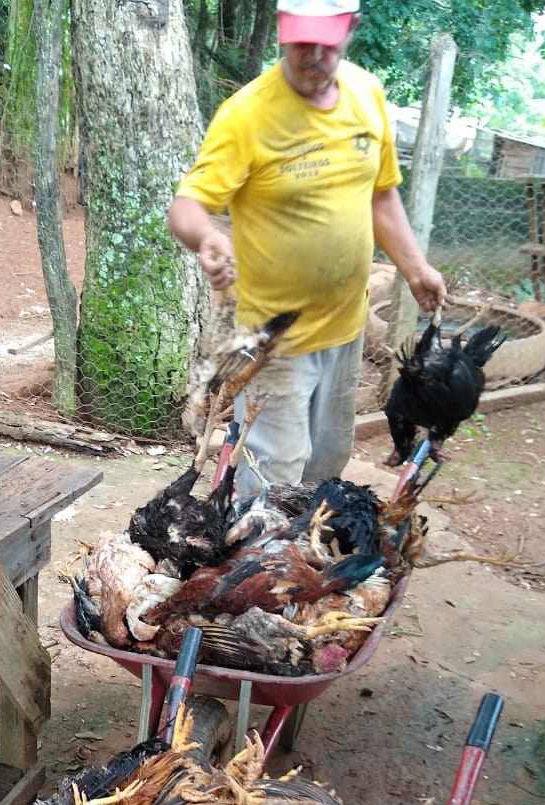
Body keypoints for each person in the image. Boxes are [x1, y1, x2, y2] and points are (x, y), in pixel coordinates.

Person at [168, 0, 446, 496]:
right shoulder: (247, 114)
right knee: (272, 472)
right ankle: (251, 565)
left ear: (351, 29)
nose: (314, 53)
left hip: (345, 327)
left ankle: (301, 564)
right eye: (301, 40)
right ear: (281, 28)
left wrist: (414, 265)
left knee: (327, 458)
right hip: (274, 340)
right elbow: (186, 207)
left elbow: (381, 195)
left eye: (327, 40)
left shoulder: (367, 95)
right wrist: (207, 236)